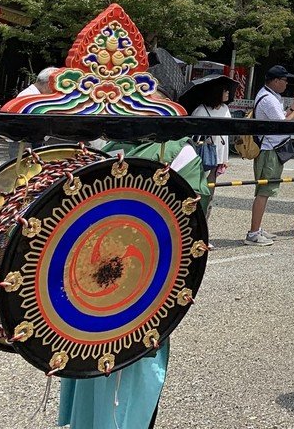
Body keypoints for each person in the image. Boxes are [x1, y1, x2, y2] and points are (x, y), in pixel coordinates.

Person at [58, 135, 211, 429]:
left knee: (96, 359)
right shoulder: (178, 152)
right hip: (142, 284)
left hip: (93, 285)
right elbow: (193, 216)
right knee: (127, 372)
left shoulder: (99, 147)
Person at [247, 65, 294, 246]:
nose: (286, 83)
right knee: (263, 192)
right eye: (284, 80)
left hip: (272, 147)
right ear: (275, 81)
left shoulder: (271, 96)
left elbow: (281, 117)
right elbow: (283, 124)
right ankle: (253, 233)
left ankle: (257, 228)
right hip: (269, 150)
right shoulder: (268, 99)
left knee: (265, 191)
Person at [187, 77, 233, 212]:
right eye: (225, 91)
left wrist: (225, 159)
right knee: (201, 181)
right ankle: (198, 208)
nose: (228, 93)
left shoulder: (225, 108)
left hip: (219, 151)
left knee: (212, 183)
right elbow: (193, 134)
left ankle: (206, 208)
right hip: (205, 151)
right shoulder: (200, 110)